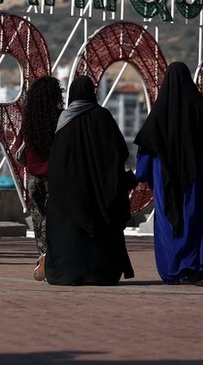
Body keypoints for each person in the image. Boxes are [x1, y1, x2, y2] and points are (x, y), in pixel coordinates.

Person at [134, 61, 203, 284]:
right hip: (197, 175)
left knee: (168, 221)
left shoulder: (159, 114)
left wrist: (141, 175)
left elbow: (147, 146)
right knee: (194, 219)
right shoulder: (198, 108)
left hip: (164, 176)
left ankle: (173, 268)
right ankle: (191, 264)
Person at [45, 75, 135, 285]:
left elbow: (58, 158)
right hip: (100, 192)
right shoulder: (102, 116)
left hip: (70, 191)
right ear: (91, 92)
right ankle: (100, 272)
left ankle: (69, 272)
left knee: (70, 233)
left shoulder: (64, 120)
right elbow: (118, 151)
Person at [20, 75, 64, 281]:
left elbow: (20, 151)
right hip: (56, 176)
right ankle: (56, 258)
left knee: (38, 219)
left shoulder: (29, 120)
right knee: (57, 218)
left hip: (34, 177)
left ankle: (43, 256)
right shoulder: (61, 118)